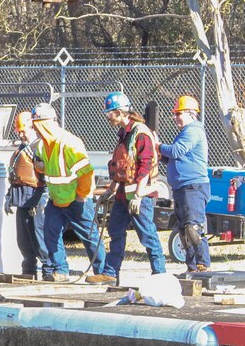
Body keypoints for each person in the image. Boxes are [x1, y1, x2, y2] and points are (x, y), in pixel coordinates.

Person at [86, 92, 166, 285]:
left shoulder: (141, 133)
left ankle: (160, 275)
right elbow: (121, 165)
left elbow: (145, 165)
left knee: (147, 234)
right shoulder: (124, 133)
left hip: (140, 195)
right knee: (115, 231)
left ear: (119, 112)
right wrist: (110, 189)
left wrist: (138, 195)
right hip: (123, 193)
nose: (107, 117)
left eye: (109, 113)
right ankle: (110, 274)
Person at [29, 102, 107, 282]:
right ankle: (61, 270)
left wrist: (81, 196)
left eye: (37, 125)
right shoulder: (43, 145)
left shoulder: (69, 142)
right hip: (57, 199)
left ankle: (103, 272)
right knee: (51, 232)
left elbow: (86, 172)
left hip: (76, 200)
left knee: (89, 236)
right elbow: (53, 167)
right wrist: (41, 167)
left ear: (46, 123)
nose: (35, 130)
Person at [160, 95, 211, 272]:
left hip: (193, 187)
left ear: (191, 114)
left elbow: (176, 151)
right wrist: (161, 155)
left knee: (193, 227)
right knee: (183, 230)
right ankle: (192, 268)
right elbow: (175, 158)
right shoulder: (184, 132)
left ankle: (203, 265)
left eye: (178, 113)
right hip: (182, 188)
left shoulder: (193, 130)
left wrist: (158, 146)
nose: (175, 117)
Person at [7, 111, 51, 280]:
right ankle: (28, 271)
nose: (21, 134)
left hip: (36, 195)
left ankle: (48, 271)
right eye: (19, 131)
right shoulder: (22, 148)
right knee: (24, 240)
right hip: (21, 197)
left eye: (24, 130)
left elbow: (46, 172)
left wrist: (42, 199)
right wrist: (8, 197)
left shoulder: (38, 147)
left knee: (39, 236)